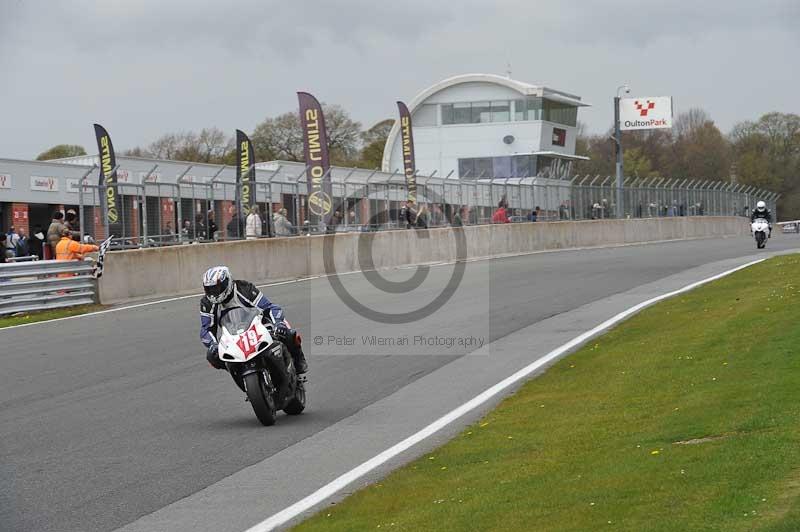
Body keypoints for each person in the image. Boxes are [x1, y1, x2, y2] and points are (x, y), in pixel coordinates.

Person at [200, 266, 308, 374]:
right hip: (233, 336)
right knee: (212, 356)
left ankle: (299, 360)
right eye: (209, 289)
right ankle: (237, 371)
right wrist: (212, 344)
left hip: (259, 326)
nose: (213, 293)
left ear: (227, 282)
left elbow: (270, 307)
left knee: (286, 333)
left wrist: (278, 324)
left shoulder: (244, 288)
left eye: (217, 288)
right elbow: (206, 329)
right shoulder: (207, 303)